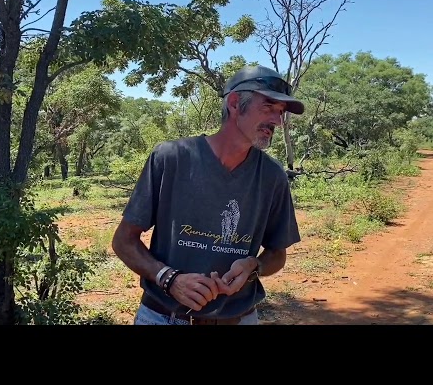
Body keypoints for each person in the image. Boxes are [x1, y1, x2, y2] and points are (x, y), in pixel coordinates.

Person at [111, 65, 304, 325]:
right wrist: (169, 278)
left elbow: (277, 254)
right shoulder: (172, 158)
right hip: (162, 317)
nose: (277, 121)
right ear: (235, 104)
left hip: (238, 318)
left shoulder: (271, 176)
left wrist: (253, 268)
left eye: (281, 113)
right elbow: (124, 241)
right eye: (269, 107)